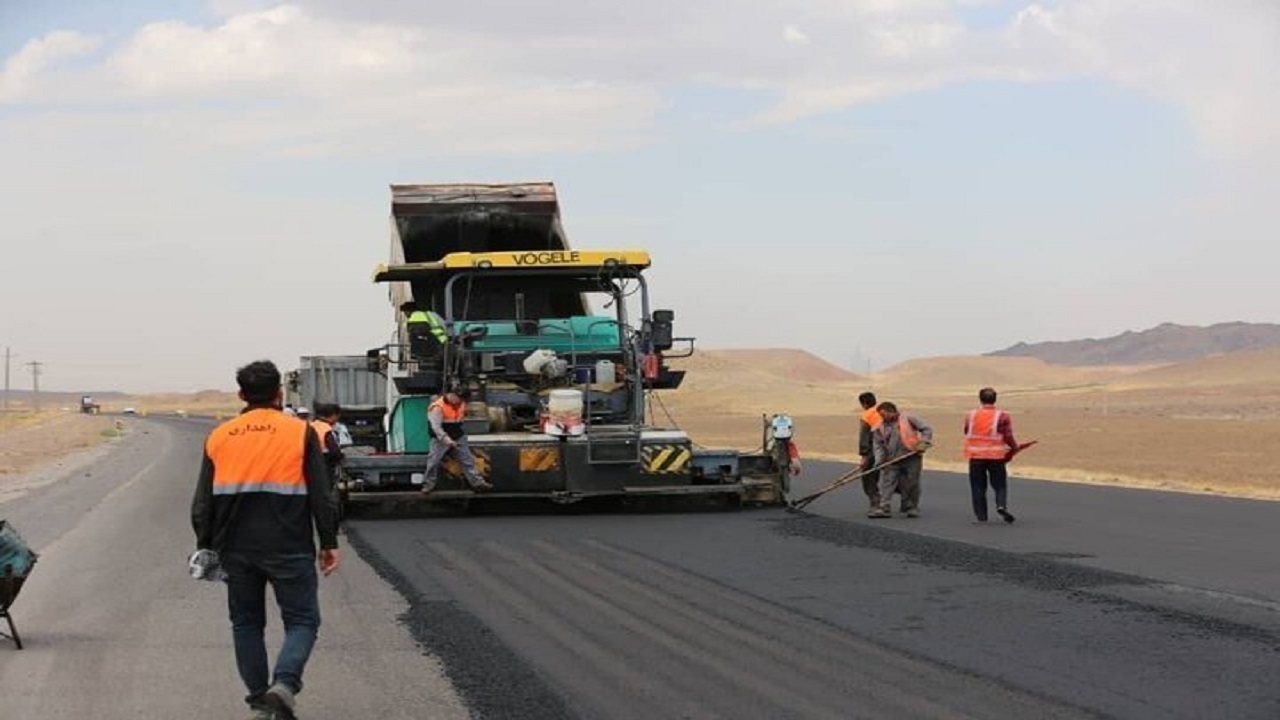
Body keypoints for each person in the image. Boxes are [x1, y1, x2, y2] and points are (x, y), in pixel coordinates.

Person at [191, 360, 340, 720]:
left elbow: (202, 504)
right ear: (278, 394)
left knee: (246, 624)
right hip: (289, 545)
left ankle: (261, 703)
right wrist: (329, 541)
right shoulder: (299, 432)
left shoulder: (219, 436)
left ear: (242, 394)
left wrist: (205, 545)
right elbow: (322, 494)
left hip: (236, 550)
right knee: (303, 621)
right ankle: (284, 686)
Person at [964, 387, 1019, 524]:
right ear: (995, 399)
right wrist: (1014, 447)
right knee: (1000, 484)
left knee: (977, 486)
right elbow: (1008, 435)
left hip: (976, 456)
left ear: (980, 399)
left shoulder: (970, 415)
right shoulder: (1003, 415)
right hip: (996, 456)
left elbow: (966, 431)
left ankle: (981, 517)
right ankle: (1001, 505)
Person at [422, 387, 493, 493]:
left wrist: (457, 438)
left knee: (468, 460)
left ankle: (478, 483)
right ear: (452, 395)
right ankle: (428, 485)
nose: (460, 401)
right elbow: (436, 428)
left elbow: (459, 419)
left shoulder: (461, 404)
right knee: (433, 462)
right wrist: (447, 440)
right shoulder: (437, 407)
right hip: (439, 438)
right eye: (459, 398)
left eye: (462, 399)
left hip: (457, 435)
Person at [869, 402, 933, 519]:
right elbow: (878, 445)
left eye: (884, 414)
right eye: (880, 415)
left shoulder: (909, 419)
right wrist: (879, 461)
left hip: (912, 456)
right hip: (891, 459)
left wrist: (924, 442)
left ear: (892, 411)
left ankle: (912, 506)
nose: (882, 417)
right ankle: (884, 507)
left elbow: (926, 429)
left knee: (912, 482)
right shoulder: (880, 427)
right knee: (887, 482)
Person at [856, 391, 883, 510]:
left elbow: (864, 436)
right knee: (893, 474)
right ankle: (907, 503)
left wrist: (864, 455)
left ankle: (875, 502)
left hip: (874, 450)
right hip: (892, 448)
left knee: (868, 476)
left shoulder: (867, 415)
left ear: (864, 404)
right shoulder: (883, 410)